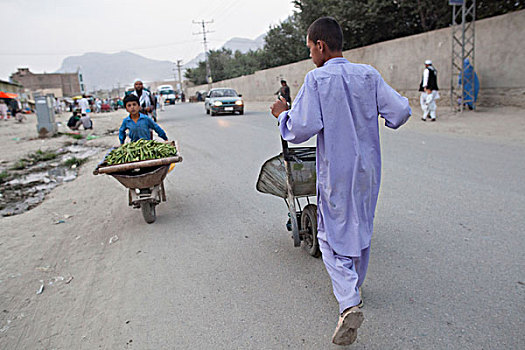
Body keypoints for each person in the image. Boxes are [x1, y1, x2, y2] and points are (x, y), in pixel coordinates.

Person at [270, 17, 411, 346]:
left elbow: (300, 128)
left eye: (309, 49)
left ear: (320, 45)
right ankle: (354, 287)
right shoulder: (369, 74)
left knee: (330, 236)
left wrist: (281, 114)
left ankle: (349, 302)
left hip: (338, 171)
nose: (310, 56)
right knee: (361, 225)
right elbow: (400, 112)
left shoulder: (318, 79)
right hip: (369, 170)